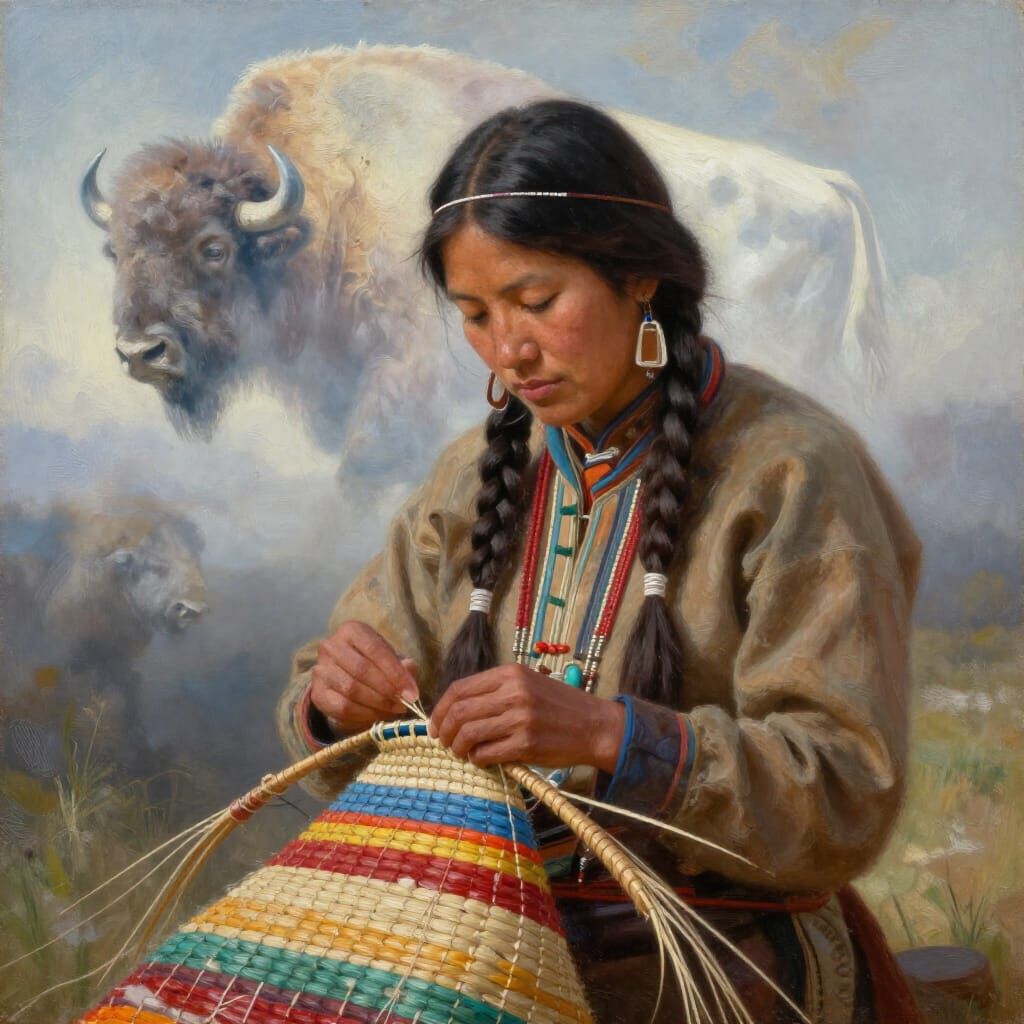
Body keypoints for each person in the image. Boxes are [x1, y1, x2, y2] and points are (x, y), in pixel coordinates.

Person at [276, 100, 923, 1024]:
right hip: (494, 954)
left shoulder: (787, 469)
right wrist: (338, 699)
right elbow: (324, 697)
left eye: (538, 302)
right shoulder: (473, 476)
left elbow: (846, 792)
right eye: (475, 315)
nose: (511, 349)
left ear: (641, 276)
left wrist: (610, 736)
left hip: (721, 963)